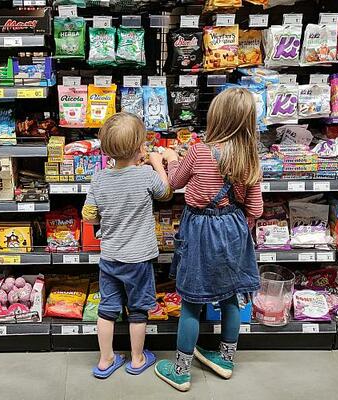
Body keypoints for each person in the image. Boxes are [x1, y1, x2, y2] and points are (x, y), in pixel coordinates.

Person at [154, 87, 264, 391]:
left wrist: (170, 157)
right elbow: (255, 208)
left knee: (191, 302)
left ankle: (180, 370)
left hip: (200, 229)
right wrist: (238, 230)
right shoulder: (250, 156)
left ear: (216, 118)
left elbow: (174, 183)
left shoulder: (200, 150)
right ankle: (226, 359)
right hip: (234, 228)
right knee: (231, 296)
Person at [82, 112, 173, 379]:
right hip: (139, 259)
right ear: (140, 148)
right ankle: (137, 358)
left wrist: (107, 217)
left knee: (107, 308)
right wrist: (157, 164)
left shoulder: (99, 178)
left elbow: (89, 215)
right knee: (137, 310)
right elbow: (165, 193)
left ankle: (105, 359)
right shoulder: (145, 175)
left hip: (110, 257)